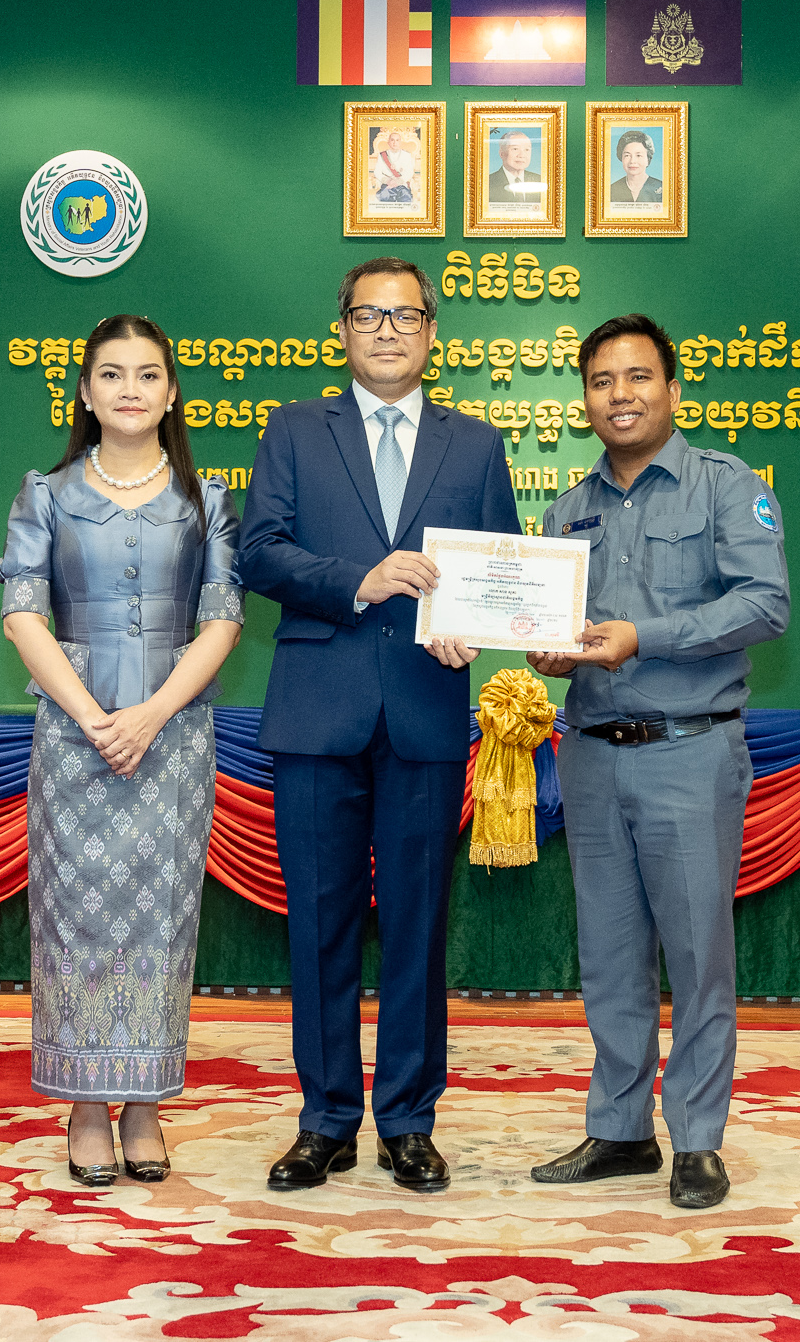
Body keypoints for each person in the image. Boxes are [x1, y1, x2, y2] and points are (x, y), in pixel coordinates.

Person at [238, 257, 522, 1193]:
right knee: (318, 923)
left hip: (425, 710)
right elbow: (259, 551)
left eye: (405, 316)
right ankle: (324, 1119)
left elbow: (500, 570)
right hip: (316, 710)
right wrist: (357, 581)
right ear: (343, 330)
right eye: (369, 315)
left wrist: (474, 628)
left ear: (433, 331)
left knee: (416, 926)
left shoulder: (476, 444)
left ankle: (407, 1119)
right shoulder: (293, 429)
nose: (388, 331)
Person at [525, 313, 789, 1210]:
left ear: (673, 389)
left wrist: (647, 635)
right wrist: (551, 653)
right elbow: (561, 633)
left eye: (638, 377)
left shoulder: (726, 485)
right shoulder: (567, 511)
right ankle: (621, 1129)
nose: (620, 395)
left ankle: (699, 1140)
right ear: (584, 399)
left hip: (689, 750)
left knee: (696, 953)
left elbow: (765, 603)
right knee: (608, 956)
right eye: (602, 381)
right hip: (592, 755)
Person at [0, 313, 244, 1187]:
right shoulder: (46, 493)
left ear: (171, 393)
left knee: (162, 919)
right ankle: (84, 1105)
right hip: (74, 739)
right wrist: (93, 714)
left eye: (147, 374)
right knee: (75, 918)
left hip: (174, 741)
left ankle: (144, 1103)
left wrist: (152, 713)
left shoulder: (206, 499)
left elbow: (223, 621)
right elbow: (22, 614)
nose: (130, 389)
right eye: (111, 373)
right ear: (85, 391)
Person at [486, 131, 543, 205]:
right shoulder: (488, 183)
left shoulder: (539, 181)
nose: (522, 155)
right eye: (515, 149)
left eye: (527, 150)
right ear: (502, 154)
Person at [608, 131, 663, 205]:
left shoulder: (662, 188)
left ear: (648, 159)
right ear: (621, 158)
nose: (632, 161)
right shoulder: (612, 190)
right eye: (627, 155)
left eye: (638, 155)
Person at [371, 132, 418, 206]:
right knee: (383, 197)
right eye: (392, 140)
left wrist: (398, 181)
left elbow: (410, 172)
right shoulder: (382, 155)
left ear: (400, 142)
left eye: (397, 140)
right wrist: (388, 181)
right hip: (387, 185)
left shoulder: (406, 155)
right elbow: (377, 172)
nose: (394, 143)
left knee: (406, 197)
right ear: (388, 142)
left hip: (401, 185)